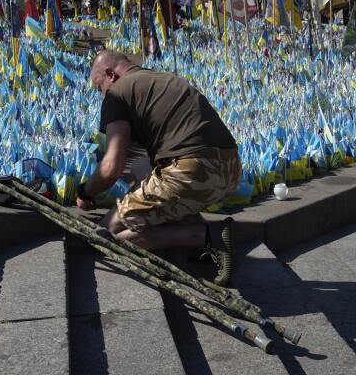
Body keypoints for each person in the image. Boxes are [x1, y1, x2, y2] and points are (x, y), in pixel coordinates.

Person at [77, 50, 241, 285]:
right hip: (230, 171)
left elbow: (112, 167)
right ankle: (197, 232)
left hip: (191, 171)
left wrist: (85, 192)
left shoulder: (117, 93)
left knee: (106, 234)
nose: (100, 94)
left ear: (110, 74)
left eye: (98, 86)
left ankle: (207, 237)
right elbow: (146, 167)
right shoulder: (164, 79)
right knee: (148, 199)